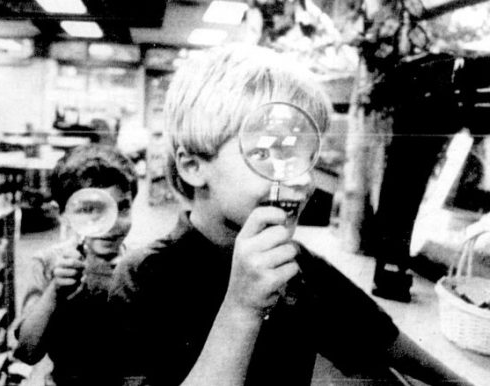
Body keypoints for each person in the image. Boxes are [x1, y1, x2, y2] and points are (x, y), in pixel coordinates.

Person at [109, 44, 471, 386]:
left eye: (304, 153)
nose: (300, 179)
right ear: (192, 166)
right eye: (266, 153)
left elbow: (380, 337)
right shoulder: (141, 277)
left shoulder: (299, 265)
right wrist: (242, 307)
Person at [14, 143, 138, 386]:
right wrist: (55, 292)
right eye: (90, 209)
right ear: (64, 214)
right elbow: (27, 352)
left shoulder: (141, 265)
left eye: (122, 207)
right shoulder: (48, 264)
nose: (110, 223)